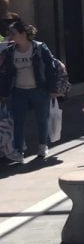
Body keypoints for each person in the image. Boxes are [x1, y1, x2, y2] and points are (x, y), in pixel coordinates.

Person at [0, 22, 58, 163]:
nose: (10, 36)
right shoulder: (10, 51)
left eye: (13, 33)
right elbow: (6, 73)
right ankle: (19, 152)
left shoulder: (39, 48)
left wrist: (52, 89)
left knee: (41, 119)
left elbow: (51, 68)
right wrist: (4, 92)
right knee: (18, 122)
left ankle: (42, 146)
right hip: (19, 91)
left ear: (23, 34)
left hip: (39, 90)